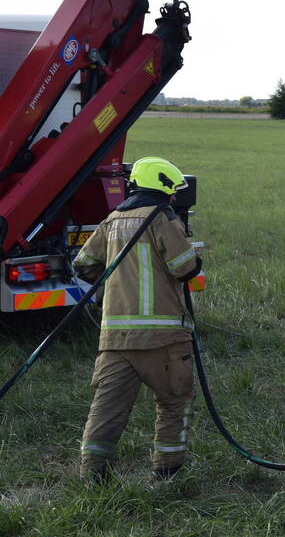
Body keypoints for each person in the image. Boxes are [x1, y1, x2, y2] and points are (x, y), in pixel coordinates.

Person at [72, 157, 202, 482]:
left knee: (106, 409)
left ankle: (93, 476)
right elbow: (185, 268)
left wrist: (117, 284)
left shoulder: (112, 219)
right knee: (173, 403)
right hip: (164, 339)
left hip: (115, 338)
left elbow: (83, 264)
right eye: (172, 191)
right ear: (162, 188)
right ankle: (167, 475)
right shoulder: (162, 218)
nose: (174, 198)